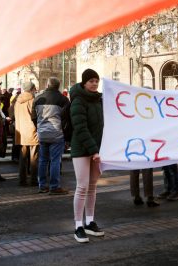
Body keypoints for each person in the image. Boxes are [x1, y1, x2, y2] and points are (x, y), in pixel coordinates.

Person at [70, 68, 104, 243]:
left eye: (96, 80)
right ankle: (78, 226)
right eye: (91, 81)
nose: (95, 83)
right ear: (84, 83)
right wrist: (94, 150)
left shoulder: (100, 100)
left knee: (92, 186)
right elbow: (80, 128)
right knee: (82, 187)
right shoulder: (78, 101)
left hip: (97, 150)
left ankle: (89, 221)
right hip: (82, 149)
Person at [32, 77, 69, 194]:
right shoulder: (63, 100)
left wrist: (40, 127)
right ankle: (54, 186)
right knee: (55, 161)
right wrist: (67, 137)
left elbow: (33, 118)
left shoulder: (37, 99)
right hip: (57, 133)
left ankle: (42, 186)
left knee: (43, 160)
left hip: (42, 133)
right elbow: (67, 119)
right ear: (58, 86)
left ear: (47, 85)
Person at [14, 82, 40, 187]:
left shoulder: (17, 101)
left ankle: (22, 180)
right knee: (34, 158)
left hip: (21, 132)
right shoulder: (33, 101)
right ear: (32, 89)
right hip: (32, 131)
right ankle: (34, 180)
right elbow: (35, 117)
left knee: (22, 157)